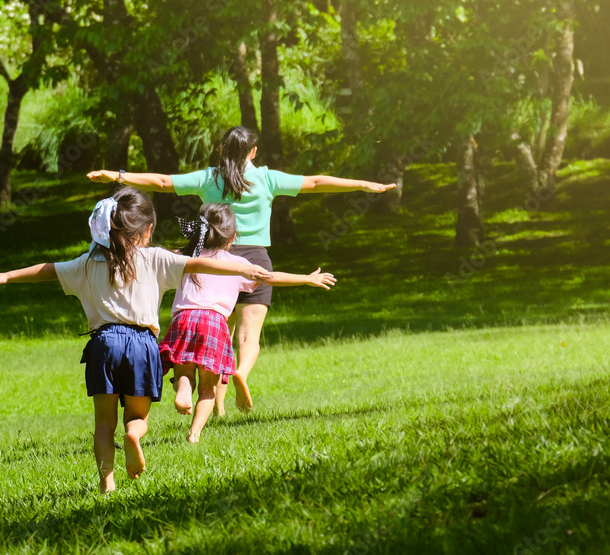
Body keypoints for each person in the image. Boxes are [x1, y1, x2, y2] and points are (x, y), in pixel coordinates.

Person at [0, 187, 270, 494]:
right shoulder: (155, 258)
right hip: (142, 345)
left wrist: (7, 275)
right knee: (138, 417)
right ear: (148, 230)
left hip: (103, 345)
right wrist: (242, 267)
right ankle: (134, 436)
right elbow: (199, 264)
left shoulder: (89, 262)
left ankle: (107, 483)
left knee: (103, 424)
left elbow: (48, 270)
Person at [87, 125, 395, 414]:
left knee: (221, 334)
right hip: (255, 260)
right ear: (254, 151)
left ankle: (218, 408)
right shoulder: (267, 178)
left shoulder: (209, 178)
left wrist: (117, 175)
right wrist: (362, 184)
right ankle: (241, 372)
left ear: (222, 149)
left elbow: (163, 182)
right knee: (248, 336)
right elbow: (315, 182)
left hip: (213, 261)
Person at [161, 202, 336, 443]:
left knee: (185, 370)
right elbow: (271, 278)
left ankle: (183, 387)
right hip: (213, 323)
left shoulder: (186, 257)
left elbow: (151, 259)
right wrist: (307, 278)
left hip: (183, 319)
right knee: (208, 387)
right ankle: (194, 434)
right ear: (233, 237)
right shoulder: (238, 264)